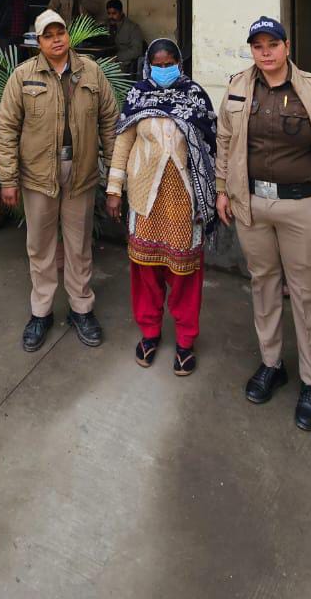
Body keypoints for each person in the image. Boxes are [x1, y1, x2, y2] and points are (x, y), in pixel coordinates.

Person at [215, 16, 311, 431]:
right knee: (263, 285)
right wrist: (223, 188)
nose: (265, 52)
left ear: (287, 46)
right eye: (258, 46)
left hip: (305, 207)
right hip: (253, 205)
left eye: (272, 44)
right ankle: (271, 363)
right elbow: (225, 141)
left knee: (308, 295)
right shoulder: (238, 87)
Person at [0, 9, 119, 352]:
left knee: (79, 246)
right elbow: (6, 128)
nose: (56, 40)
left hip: (81, 173)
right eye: (48, 36)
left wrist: (114, 175)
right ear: (38, 41)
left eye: (60, 33)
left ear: (68, 34)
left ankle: (81, 309)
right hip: (38, 176)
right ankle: (42, 312)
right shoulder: (23, 76)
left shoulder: (91, 72)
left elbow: (110, 123)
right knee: (40, 246)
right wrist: (8, 178)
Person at [106, 38, 217, 377]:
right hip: (145, 198)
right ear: (148, 65)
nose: (164, 69)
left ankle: (185, 340)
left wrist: (215, 194)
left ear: (180, 64)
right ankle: (150, 332)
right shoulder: (137, 95)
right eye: (158, 64)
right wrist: (114, 189)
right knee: (145, 270)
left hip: (185, 200)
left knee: (185, 273)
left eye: (170, 64)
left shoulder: (195, 96)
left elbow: (212, 146)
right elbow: (123, 143)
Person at [105, 0, 143, 79]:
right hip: (105, 60)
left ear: (121, 12)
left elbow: (137, 50)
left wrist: (116, 57)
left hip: (124, 63)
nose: (111, 16)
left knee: (111, 74)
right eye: (109, 13)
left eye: (114, 13)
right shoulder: (105, 25)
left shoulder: (132, 28)